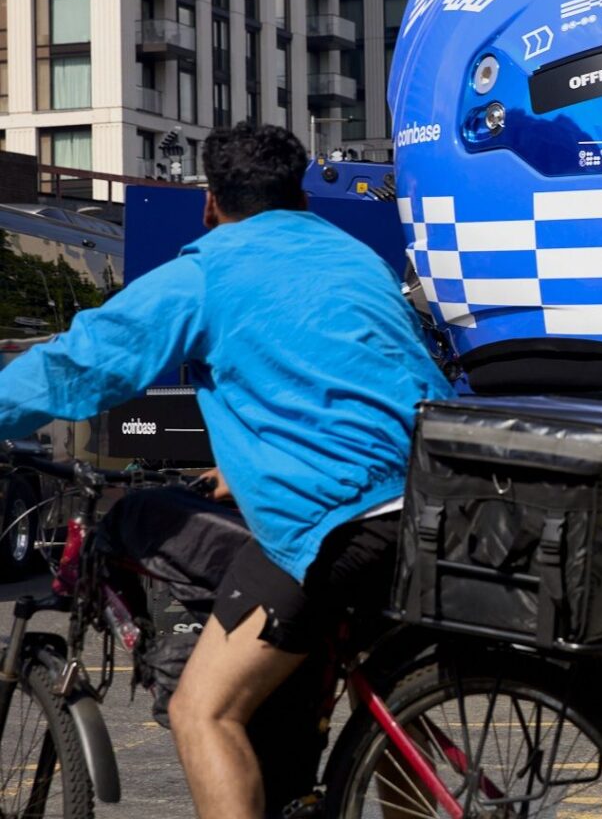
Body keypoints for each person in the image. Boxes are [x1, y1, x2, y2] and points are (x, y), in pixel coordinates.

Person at [0, 122, 453, 818]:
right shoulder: (355, 257)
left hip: (338, 520)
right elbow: (348, 388)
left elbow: (80, 364)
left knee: (203, 711)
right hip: (432, 500)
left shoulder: (207, 271)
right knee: (390, 705)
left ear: (210, 202)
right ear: (302, 196)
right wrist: (244, 468)